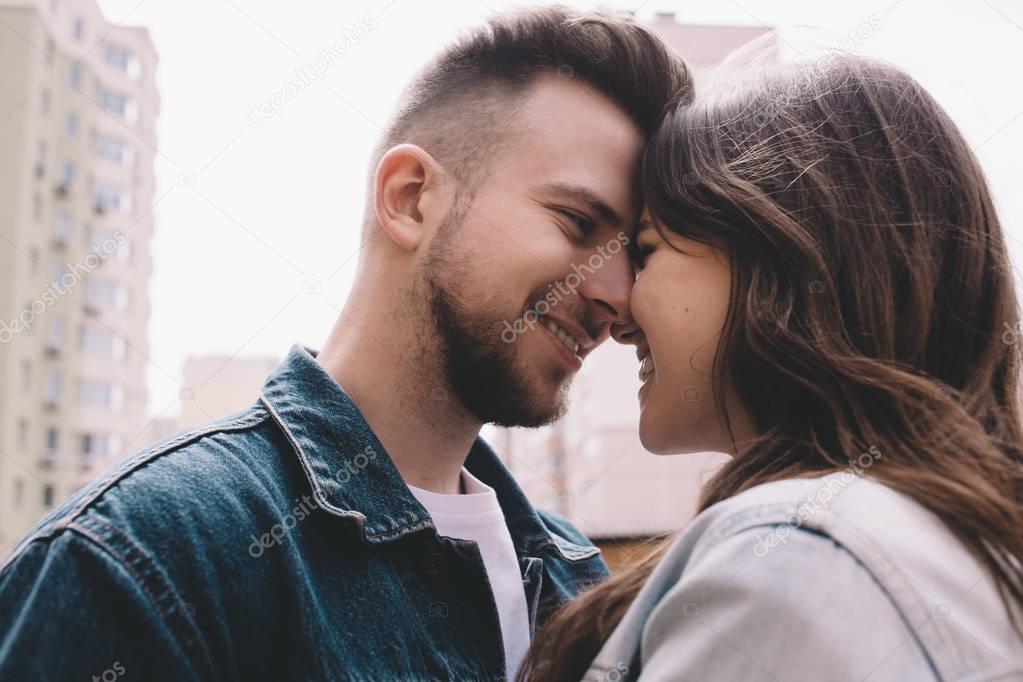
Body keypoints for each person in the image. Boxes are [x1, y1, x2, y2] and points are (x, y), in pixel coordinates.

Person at [0, 7, 691, 681]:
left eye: (631, 253)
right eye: (576, 223)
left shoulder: (578, 582)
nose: (615, 294)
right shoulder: (146, 558)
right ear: (412, 197)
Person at [520, 46, 1023, 681]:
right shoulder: (970, 553)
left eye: (646, 250)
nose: (618, 317)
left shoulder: (795, 557)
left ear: (783, 262)